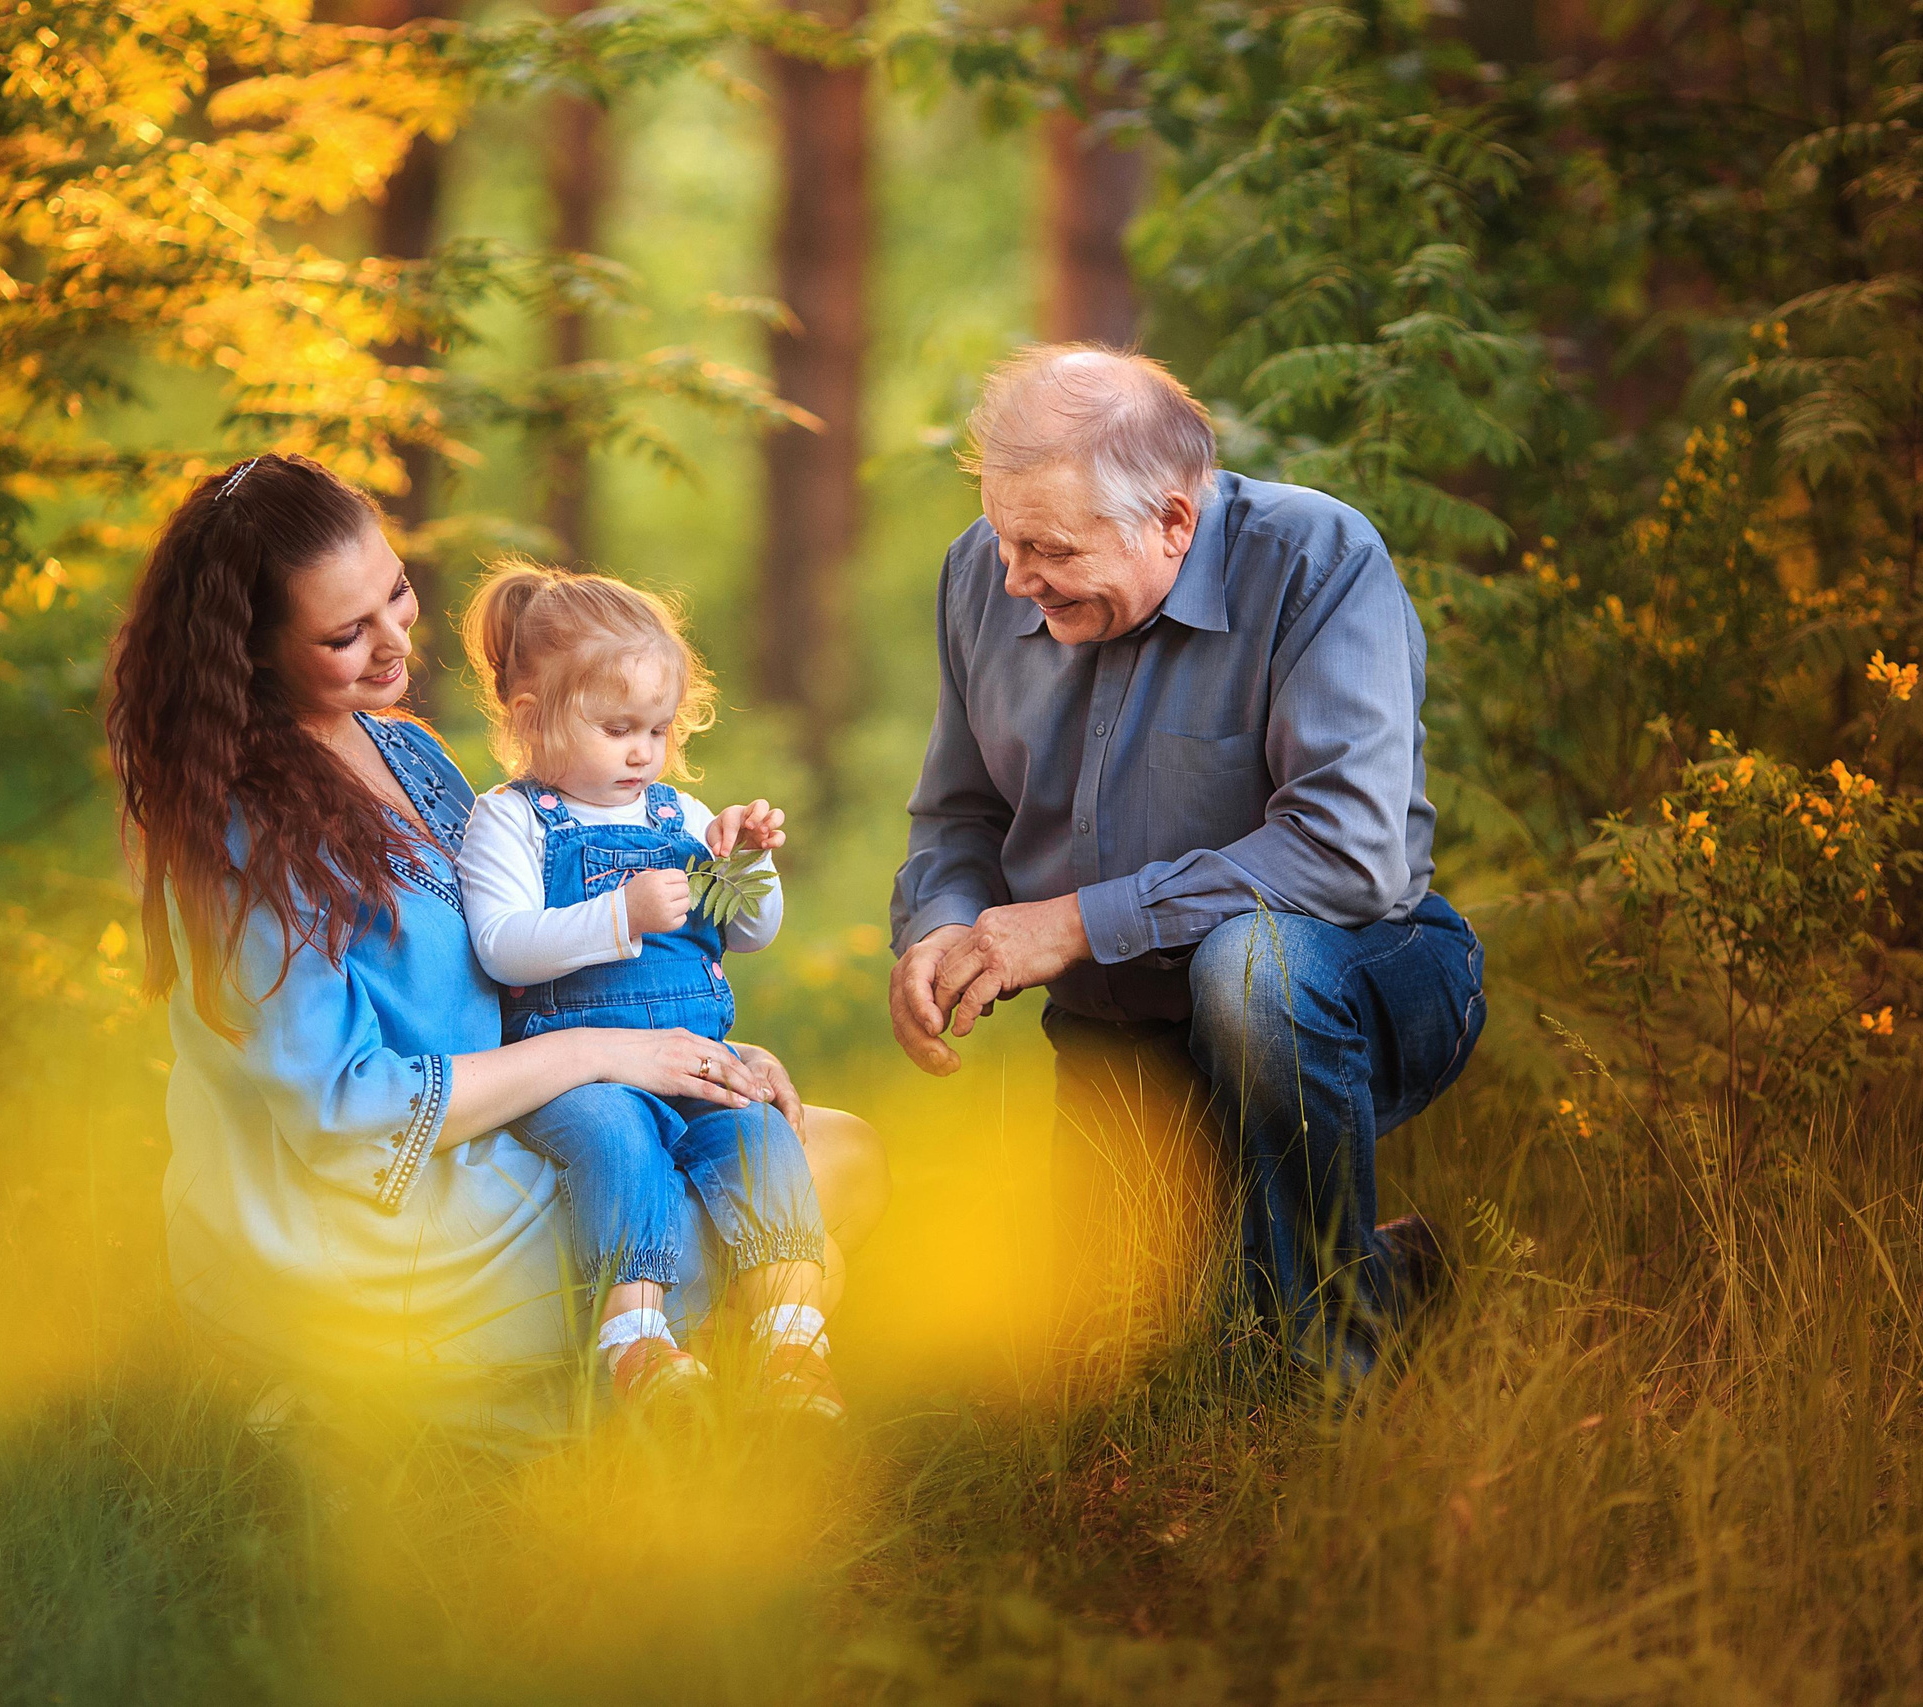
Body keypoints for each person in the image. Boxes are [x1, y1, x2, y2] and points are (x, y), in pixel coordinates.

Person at [104, 453, 887, 1442]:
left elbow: (521, 966)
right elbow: (343, 1110)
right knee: (821, 1180)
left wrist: (693, 1063)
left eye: (395, 594)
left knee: (819, 1147)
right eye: (345, 634)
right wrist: (605, 1055)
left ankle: (572, 1392)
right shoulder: (238, 839)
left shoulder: (404, 750)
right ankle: (460, 1399)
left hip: (507, 1128)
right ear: (250, 655)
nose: (393, 644)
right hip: (374, 1219)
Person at [887, 345, 1486, 1384]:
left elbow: (1345, 850)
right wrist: (940, 921)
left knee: (1249, 970)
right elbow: (959, 813)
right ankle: (1387, 1272)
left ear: (1173, 520)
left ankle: (1331, 1385)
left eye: (1049, 551)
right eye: (1000, 538)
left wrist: (1071, 924)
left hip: (1344, 984)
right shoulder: (984, 579)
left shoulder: (1315, 561)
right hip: (1123, 1027)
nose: (1015, 580)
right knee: (1121, 1356)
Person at [455, 561, 840, 1419]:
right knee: (619, 1141)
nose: (643, 751)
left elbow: (749, 928)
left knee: (756, 1133)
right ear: (532, 721)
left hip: (693, 1057)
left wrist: (745, 861)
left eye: (658, 729)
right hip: (578, 1076)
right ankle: (635, 1349)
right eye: (617, 727)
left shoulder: (676, 814)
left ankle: (791, 1343)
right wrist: (616, 914)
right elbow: (502, 945)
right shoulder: (511, 820)